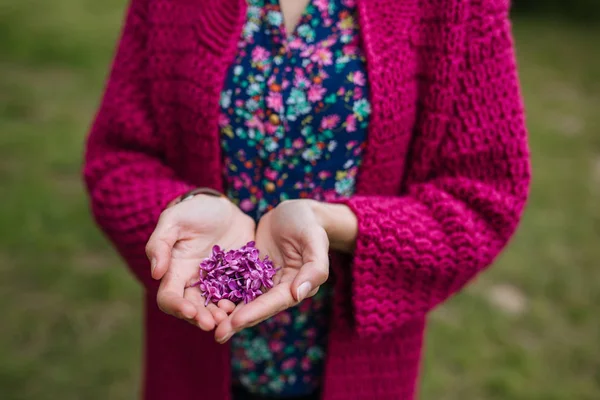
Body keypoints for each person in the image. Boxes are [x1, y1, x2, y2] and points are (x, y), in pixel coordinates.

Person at [83, 0, 531, 399]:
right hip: (194, 345)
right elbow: (118, 160)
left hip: (359, 365)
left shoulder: (461, 9)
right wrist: (187, 206)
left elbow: (484, 199)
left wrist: (334, 224)